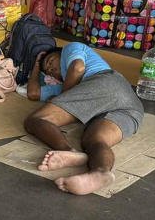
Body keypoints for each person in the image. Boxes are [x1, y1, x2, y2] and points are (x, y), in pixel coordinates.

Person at [24, 42, 144, 196]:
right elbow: (33, 93)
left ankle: (68, 151)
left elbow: (78, 68)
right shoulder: (65, 85)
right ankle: (101, 173)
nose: (51, 70)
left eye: (51, 62)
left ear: (61, 54)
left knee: (36, 119)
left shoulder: (71, 48)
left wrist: (63, 98)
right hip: (132, 107)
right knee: (94, 140)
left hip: (105, 82)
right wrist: (36, 67)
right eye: (49, 72)